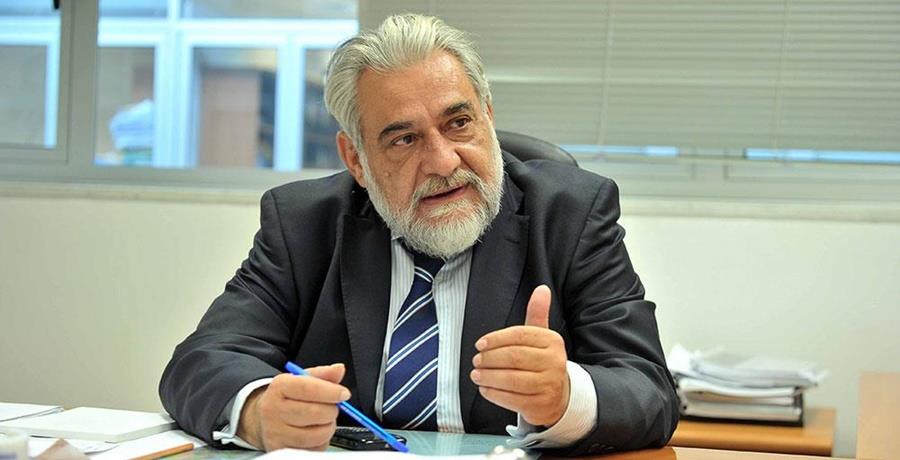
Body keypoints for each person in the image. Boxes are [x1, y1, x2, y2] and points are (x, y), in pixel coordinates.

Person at [159, 14, 679, 456]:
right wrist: (256, 411)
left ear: (488, 118)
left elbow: (650, 390)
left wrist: (565, 396)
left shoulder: (569, 214)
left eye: (459, 123)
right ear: (356, 160)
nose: (443, 162)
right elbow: (199, 363)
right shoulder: (304, 224)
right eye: (404, 139)